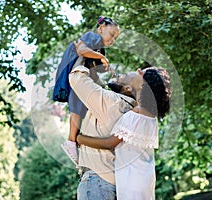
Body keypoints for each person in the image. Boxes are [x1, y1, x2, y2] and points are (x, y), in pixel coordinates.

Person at [76, 67, 171, 200]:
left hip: (132, 179)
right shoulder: (151, 118)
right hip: (143, 176)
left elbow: (110, 143)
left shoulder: (135, 115)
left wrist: (80, 139)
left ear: (144, 85)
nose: (138, 70)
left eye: (141, 73)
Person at [52, 16, 119, 166]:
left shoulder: (98, 47)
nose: (113, 40)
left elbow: (94, 68)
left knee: (80, 110)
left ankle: (75, 141)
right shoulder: (92, 36)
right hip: (77, 75)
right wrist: (101, 57)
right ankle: (70, 141)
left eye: (115, 38)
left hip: (84, 77)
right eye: (112, 34)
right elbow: (81, 50)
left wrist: (104, 65)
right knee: (76, 109)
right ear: (101, 27)